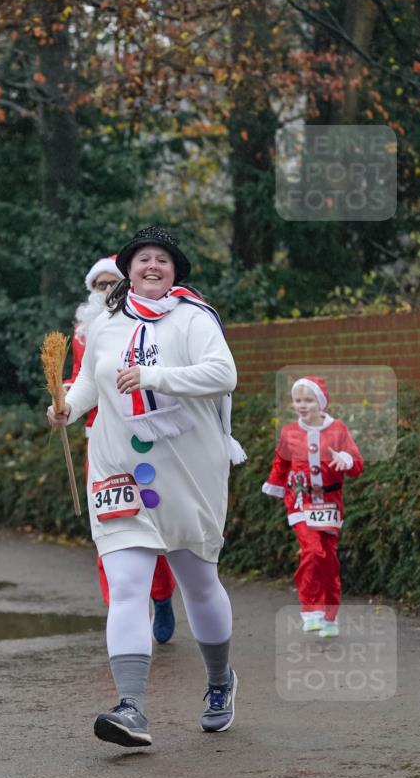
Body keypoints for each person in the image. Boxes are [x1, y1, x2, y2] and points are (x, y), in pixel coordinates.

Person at [48, 226, 246, 747]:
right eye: (142, 260)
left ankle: (220, 682)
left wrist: (155, 377)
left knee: (199, 585)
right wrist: (69, 406)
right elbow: (92, 379)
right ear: (128, 269)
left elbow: (223, 374)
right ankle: (131, 706)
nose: (151, 266)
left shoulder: (193, 318)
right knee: (128, 588)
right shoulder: (105, 322)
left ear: (175, 270)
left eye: (161, 259)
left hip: (188, 469)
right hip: (118, 468)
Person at [68, 255, 177, 644]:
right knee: (110, 525)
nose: (105, 291)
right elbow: (81, 382)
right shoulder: (83, 334)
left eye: (112, 282)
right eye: (98, 285)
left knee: (152, 522)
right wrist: (64, 399)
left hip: (143, 435)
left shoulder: (148, 326)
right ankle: (123, 611)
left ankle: (161, 596)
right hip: (99, 441)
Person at [262, 376, 363, 637]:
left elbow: (357, 465)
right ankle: (311, 610)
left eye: (308, 400)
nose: (303, 405)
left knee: (328, 560)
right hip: (299, 501)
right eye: (298, 400)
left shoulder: (338, 429)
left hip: (330, 504)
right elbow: (281, 463)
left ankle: (330, 616)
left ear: (320, 402)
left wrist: (346, 460)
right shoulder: (289, 432)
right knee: (313, 551)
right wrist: (274, 484)